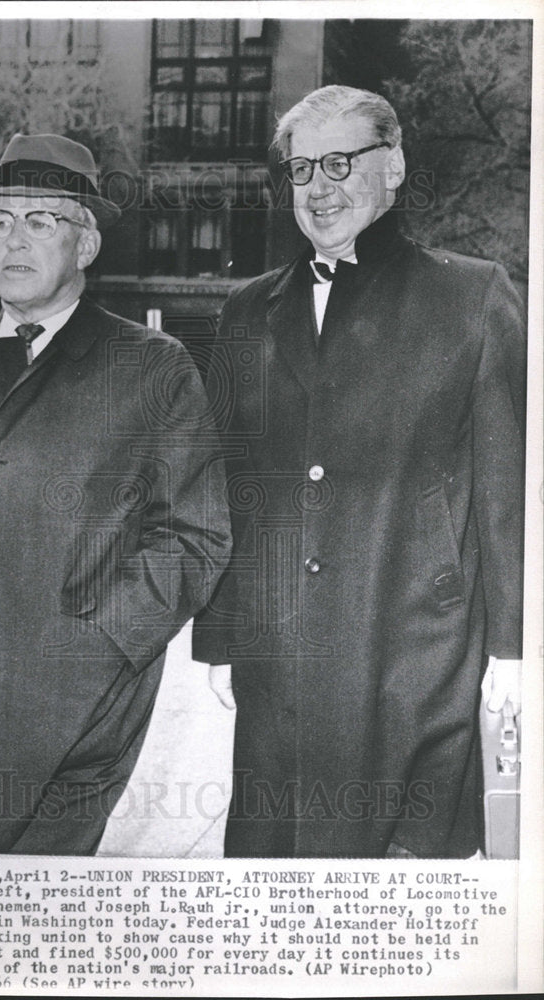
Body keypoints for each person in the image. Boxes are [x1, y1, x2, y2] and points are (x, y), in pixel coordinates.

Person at [0, 133, 231, 854]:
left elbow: (196, 535)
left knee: (29, 928)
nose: (12, 240)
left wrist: (103, 643)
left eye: (40, 221)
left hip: (77, 709)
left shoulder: (152, 369)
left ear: (85, 245)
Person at [193, 85, 525, 859]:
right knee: (274, 897)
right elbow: (224, 482)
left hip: (416, 657)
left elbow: (503, 494)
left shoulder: (473, 296)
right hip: (277, 666)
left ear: (395, 166)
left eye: (341, 161)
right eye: (301, 167)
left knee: (399, 899)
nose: (319, 186)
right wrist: (220, 633)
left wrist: (509, 653)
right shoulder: (245, 310)